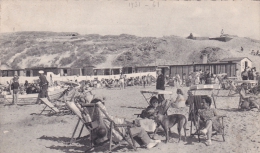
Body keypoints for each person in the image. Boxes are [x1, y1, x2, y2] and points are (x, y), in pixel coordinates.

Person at [90, 98, 161, 149]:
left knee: (135, 127)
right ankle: (148, 143)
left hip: (112, 133)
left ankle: (148, 141)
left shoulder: (97, 119)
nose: (103, 104)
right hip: (119, 133)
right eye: (102, 104)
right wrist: (127, 123)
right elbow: (116, 122)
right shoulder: (105, 117)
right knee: (140, 129)